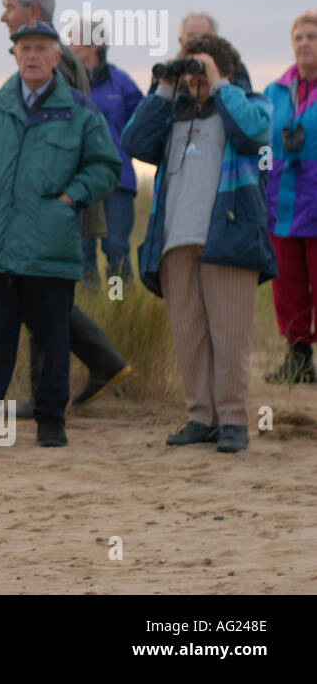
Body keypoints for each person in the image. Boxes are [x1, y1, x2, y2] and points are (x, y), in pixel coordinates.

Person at [0, 20, 121, 449]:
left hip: (51, 244)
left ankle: (50, 422)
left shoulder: (80, 110)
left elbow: (105, 166)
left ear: (57, 56)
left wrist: (71, 200)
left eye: (41, 48)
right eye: (24, 48)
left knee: (52, 339)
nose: (32, 55)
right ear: (15, 54)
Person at [121, 34, 274, 453]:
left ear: (223, 68)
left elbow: (253, 132)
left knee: (230, 335)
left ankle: (233, 420)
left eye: (199, 69)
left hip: (230, 235)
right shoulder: (175, 115)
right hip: (175, 239)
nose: (194, 78)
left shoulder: (253, 103)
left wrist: (220, 83)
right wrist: (166, 87)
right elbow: (133, 141)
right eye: (189, 70)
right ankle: (200, 417)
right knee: (189, 334)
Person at [1, 0, 132, 413]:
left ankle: (55, 392)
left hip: (57, 202)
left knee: (46, 296)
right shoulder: (54, 55)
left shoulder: (61, 58)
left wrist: (65, 197)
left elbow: (73, 131)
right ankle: (92, 368)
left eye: (9, 8)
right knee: (43, 295)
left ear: (33, 9)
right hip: (44, 201)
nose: (4, 17)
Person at [261, 10, 317, 384]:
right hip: (281, 203)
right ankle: (299, 359)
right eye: (299, 37)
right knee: (289, 286)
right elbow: (262, 141)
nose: (304, 44)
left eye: (312, 37)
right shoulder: (275, 90)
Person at [68, 16, 143, 283]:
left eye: (75, 40)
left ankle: (119, 304)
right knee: (82, 252)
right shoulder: (65, 83)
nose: (70, 46)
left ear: (94, 45)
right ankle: (91, 312)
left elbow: (143, 123)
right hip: (79, 180)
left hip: (117, 179)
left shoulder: (121, 82)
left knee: (115, 247)